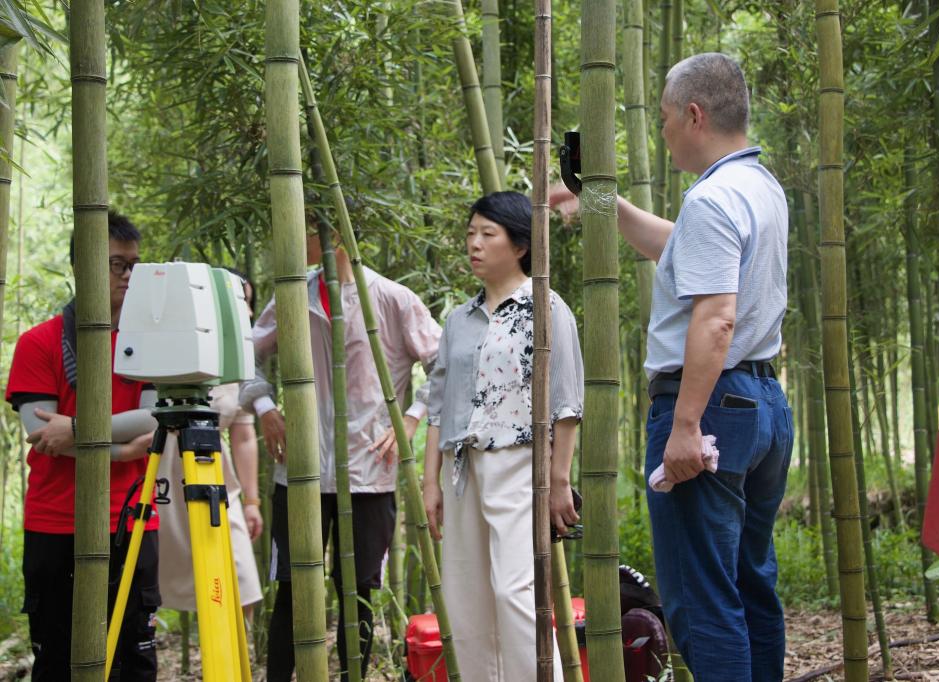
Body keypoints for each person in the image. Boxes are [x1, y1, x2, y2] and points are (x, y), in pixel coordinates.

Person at [554, 53, 792, 682]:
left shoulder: (713, 198)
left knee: (703, 597)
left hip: (708, 407)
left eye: (663, 119)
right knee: (749, 583)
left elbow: (716, 319)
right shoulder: (758, 186)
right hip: (761, 402)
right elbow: (679, 247)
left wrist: (686, 425)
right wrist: (597, 198)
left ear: (693, 115)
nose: (661, 132)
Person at [241, 216, 441, 681]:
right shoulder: (293, 294)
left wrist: (411, 417)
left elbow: (446, 365)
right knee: (292, 589)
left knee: (358, 592)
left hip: (370, 469)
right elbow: (246, 353)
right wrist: (265, 406)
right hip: (300, 468)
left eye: (305, 229)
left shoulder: (390, 298)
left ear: (335, 234)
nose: (293, 239)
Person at [422, 191, 584, 682]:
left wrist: (559, 480)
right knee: (466, 598)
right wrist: (430, 483)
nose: (473, 243)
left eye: (487, 234)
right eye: (470, 233)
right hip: (463, 468)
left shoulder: (546, 307)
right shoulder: (458, 319)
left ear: (519, 246)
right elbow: (438, 403)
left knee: (515, 593)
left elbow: (567, 403)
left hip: (521, 465)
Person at [7, 212, 161, 682]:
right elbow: (44, 436)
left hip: (132, 518)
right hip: (57, 521)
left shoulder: (151, 341)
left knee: (134, 663)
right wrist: (123, 449)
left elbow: (153, 419)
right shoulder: (39, 342)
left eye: (135, 265)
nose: (128, 276)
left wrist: (76, 429)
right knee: (58, 662)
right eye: (117, 264)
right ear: (82, 266)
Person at [156, 269, 263, 621]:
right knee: (155, 578)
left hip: (214, 472)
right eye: (241, 302)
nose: (249, 312)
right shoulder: (173, 345)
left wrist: (251, 501)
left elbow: (243, 434)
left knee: (241, 581)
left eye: (249, 303)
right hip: (163, 471)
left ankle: (235, 653)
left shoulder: (239, 359)